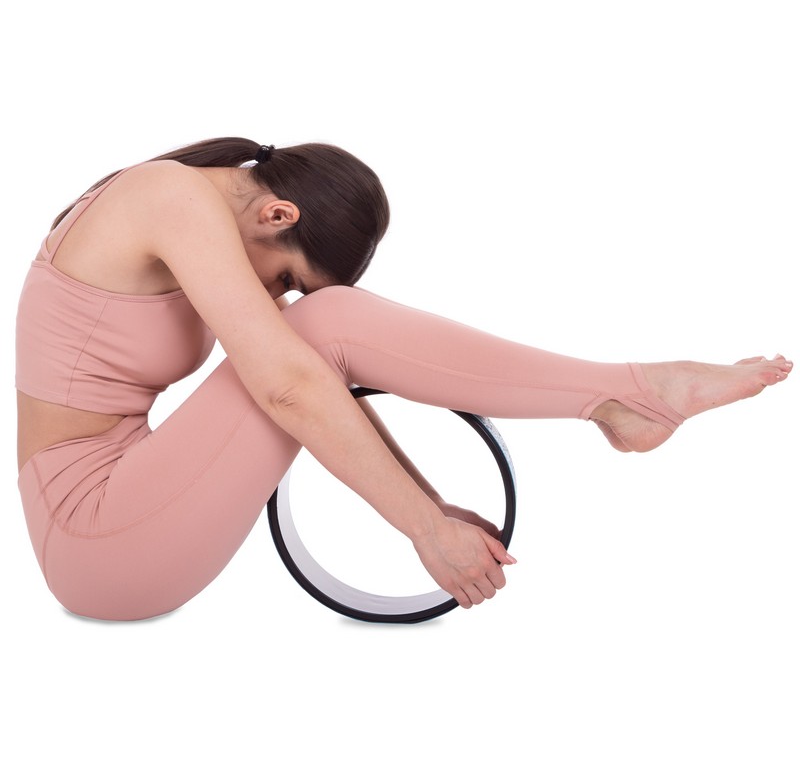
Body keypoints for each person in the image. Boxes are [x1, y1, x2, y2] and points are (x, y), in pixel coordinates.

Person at [15, 137, 792, 622]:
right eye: (286, 280)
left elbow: (310, 379)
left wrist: (431, 504)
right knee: (325, 325)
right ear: (277, 216)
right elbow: (289, 384)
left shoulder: (187, 202)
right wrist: (423, 530)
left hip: (124, 511)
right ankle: (623, 393)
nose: (278, 297)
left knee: (320, 330)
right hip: (93, 536)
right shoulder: (169, 196)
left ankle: (620, 395)